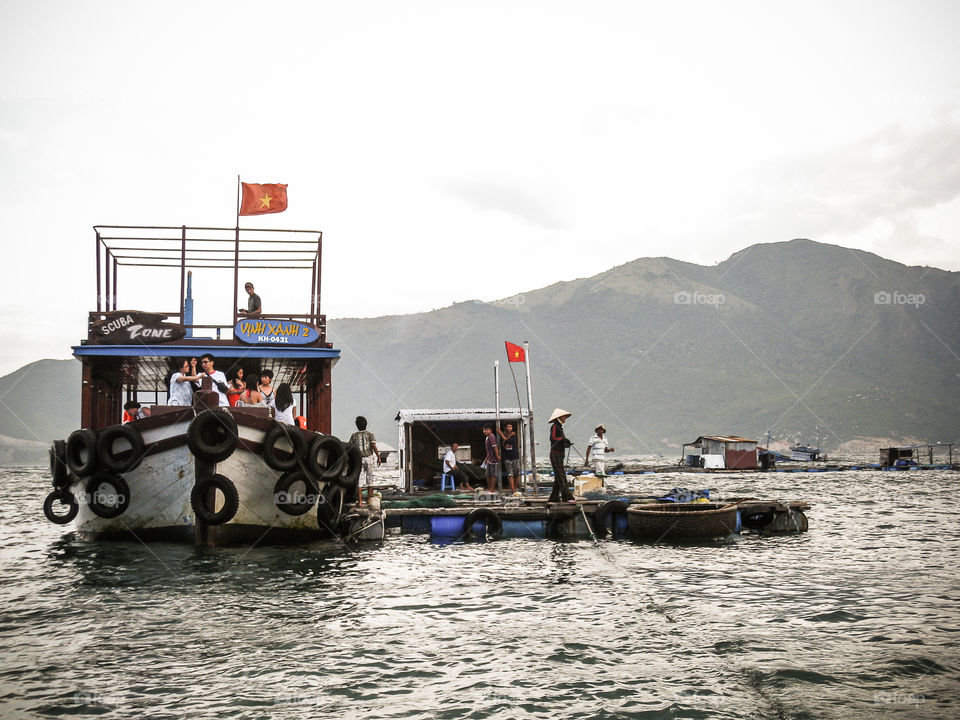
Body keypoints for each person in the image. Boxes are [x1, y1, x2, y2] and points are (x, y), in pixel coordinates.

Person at [350, 416, 380, 505]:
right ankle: (369, 500)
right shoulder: (370, 434)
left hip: (359, 459)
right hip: (369, 458)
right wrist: (378, 456)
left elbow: (350, 447)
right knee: (370, 478)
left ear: (357, 425)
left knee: (360, 480)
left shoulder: (354, 435)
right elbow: (373, 446)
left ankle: (359, 502)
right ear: (366, 424)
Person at [547, 408, 574, 502]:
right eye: (564, 417)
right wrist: (563, 439)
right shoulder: (555, 426)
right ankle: (567, 497)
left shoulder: (560, 427)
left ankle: (554, 498)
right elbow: (553, 438)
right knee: (561, 476)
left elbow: (558, 440)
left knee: (558, 476)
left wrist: (566, 443)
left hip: (560, 454)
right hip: (555, 454)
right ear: (559, 417)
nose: (565, 418)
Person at [498, 422, 521, 492]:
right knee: (510, 474)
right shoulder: (502, 436)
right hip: (507, 457)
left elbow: (508, 441)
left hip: (515, 456)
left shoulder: (513, 434)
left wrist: (501, 434)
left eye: (511, 427)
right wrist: (504, 436)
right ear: (505, 428)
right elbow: (502, 443)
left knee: (517, 473)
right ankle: (513, 490)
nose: (510, 428)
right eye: (508, 427)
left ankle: (515, 488)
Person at [482, 424, 501, 493]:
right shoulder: (487, 437)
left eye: (486, 430)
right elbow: (488, 450)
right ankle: (489, 488)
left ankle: (492, 489)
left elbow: (494, 447)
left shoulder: (491, 436)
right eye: (484, 430)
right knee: (488, 474)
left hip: (493, 458)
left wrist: (497, 456)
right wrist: (486, 458)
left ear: (490, 430)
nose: (485, 431)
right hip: (489, 458)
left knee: (493, 474)